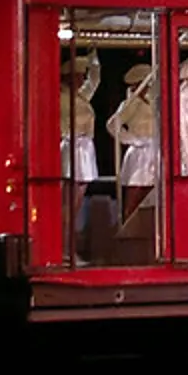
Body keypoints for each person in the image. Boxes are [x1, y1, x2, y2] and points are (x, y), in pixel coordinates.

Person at [107, 64, 158, 218]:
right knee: (134, 195)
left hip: (154, 151)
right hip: (139, 153)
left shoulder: (155, 102)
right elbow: (112, 124)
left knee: (152, 196)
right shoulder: (130, 104)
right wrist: (133, 140)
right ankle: (127, 228)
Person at [60, 50, 100, 237]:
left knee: (77, 201)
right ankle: (62, 242)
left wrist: (93, 56)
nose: (83, 80)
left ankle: (68, 242)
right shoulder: (60, 97)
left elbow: (94, 80)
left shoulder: (81, 96)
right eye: (79, 76)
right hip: (70, 147)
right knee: (67, 201)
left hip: (84, 149)